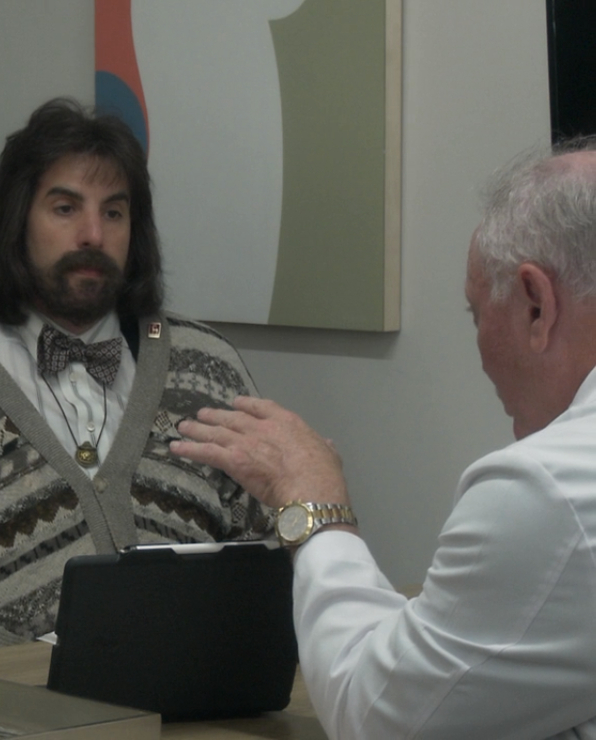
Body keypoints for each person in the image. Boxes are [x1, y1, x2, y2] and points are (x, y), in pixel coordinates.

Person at [172, 141, 596, 738]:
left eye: (476, 315)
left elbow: (377, 717)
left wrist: (314, 506)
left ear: (536, 306)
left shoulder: (545, 491)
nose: (478, 352)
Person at [0, 98, 273, 658]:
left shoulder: (208, 369)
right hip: (11, 699)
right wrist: (17, 663)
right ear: (16, 222)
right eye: (65, 208)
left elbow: (271, 545)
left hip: (203, 688)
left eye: (115, 213)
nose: (93, 234)